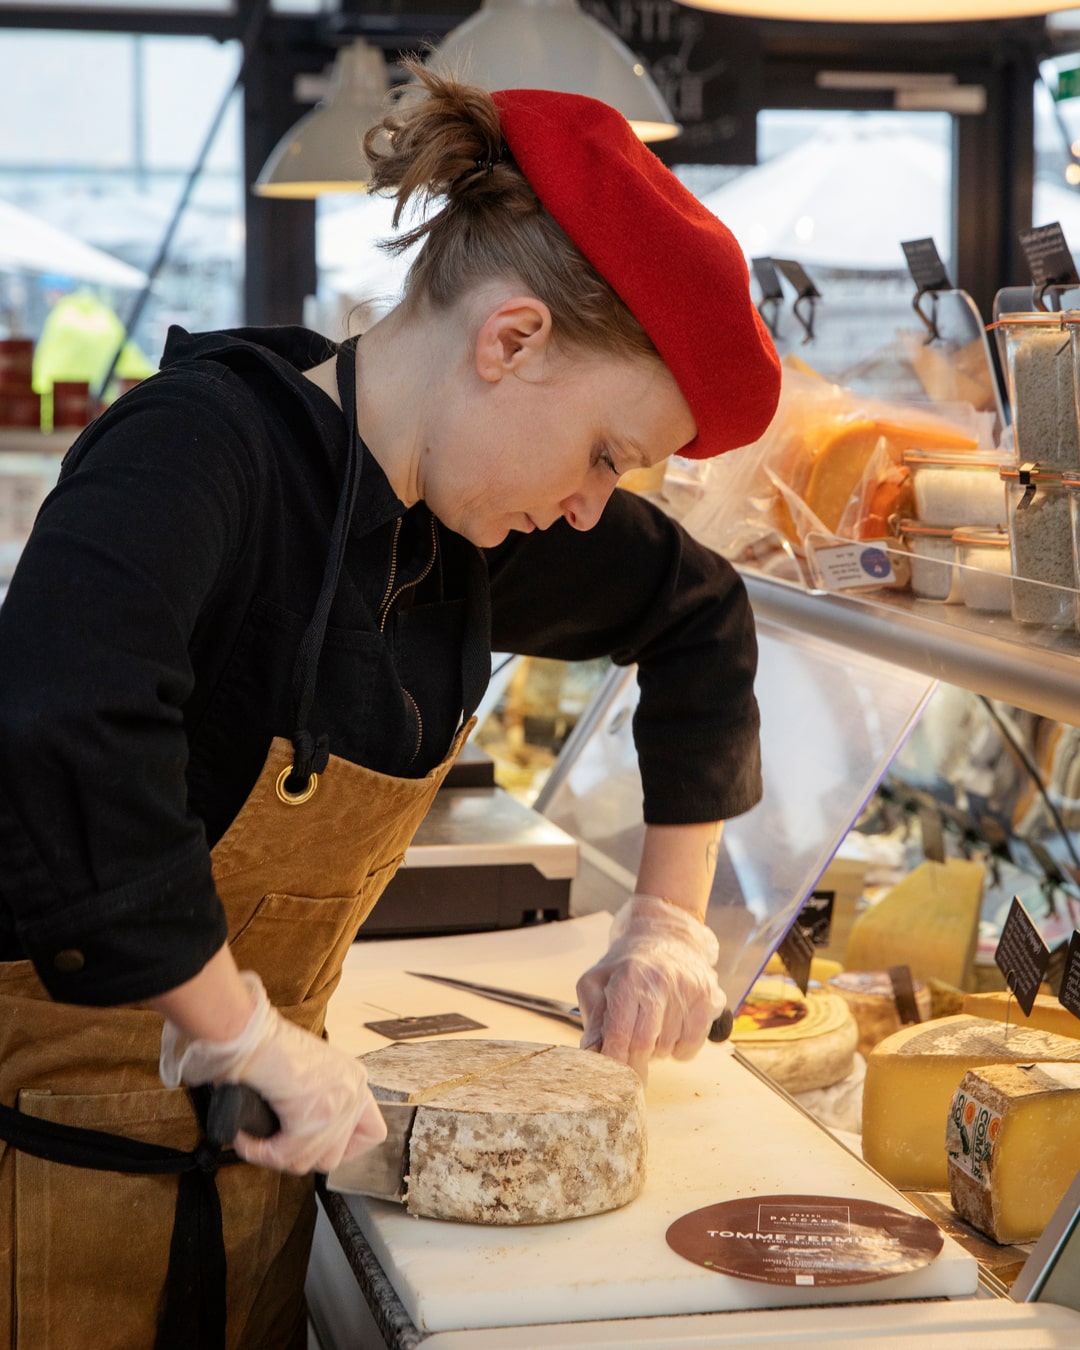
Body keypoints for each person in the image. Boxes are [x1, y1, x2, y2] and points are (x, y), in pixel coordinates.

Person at [0, 64, 780, 1350]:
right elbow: (57, 712)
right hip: (41, 1185)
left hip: (257, 1190)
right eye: (604, 455)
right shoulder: (201, 449)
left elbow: (699, 613)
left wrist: (665, 923)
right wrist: (235, 1025)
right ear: (513, 339)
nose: (593, 507)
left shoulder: (471, 529)